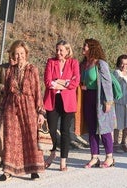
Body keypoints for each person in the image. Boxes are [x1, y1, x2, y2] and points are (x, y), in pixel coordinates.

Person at [0, 40, 45, 182]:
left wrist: (41, 112)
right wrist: (1, 109)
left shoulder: (32, 69)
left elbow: (37, 92)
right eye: (16, 54)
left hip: (29, 106)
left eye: (22, 53)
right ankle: (7, 170)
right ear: (12, 55)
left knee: (30, 136)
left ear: (26, 54)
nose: (19, 56)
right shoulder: (9, 70)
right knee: (10, 138)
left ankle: (34, 169)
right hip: (11, 107)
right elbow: (6, 92)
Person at [43, 40, 80, 171]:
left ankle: (63, 160)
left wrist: (58, 82)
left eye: (61, 50)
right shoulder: (51, 62)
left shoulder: (73, 63)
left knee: (65, 131)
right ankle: (52, 153)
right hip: (52, 100)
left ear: (67, 51)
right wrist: (65, 84)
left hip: (68, 102)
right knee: (51, 130)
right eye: (57, 50)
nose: (58, 52)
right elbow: (48, 82)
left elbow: (75, 82)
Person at [80, 38, 116, 168]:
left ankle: (109, 157)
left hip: (101, 98)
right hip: (88, 97)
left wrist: (108, 102)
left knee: (104, 127)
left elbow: (107, 83)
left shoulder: (100, 64)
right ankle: (94, 157)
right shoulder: (84, 64)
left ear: (92, 48)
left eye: (85, 46)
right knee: (91, 128)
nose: (83, 47)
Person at [0, 54, 17, 167]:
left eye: (14, 57)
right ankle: (3, 156)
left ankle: (13, 157)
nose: (11, 59)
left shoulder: (23, 69)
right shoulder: (2, 68)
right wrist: (2, 88)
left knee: (14, 132)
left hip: (17, 106)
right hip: (3, 104)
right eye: (10, 56)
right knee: (1, 131)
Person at [113, 55, 127, 153]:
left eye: (126, 64)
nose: (123, 66)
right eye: (122, 63)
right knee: (118, 123)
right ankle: (115, 144)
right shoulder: (116, 72)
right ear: (118, 63)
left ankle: (123, 142)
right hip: (119, 101)